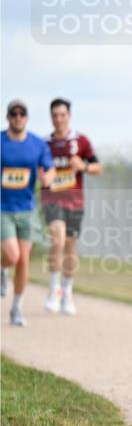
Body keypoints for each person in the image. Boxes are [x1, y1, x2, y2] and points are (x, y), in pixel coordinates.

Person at [41, 97, 101, 315]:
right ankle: (54, 290)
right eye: (55, 115)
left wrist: (83, 166)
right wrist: (43, 175)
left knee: (70, 247)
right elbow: (37, 169)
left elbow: (97, 167)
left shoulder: (81, 141)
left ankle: (67, 292)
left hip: (75, 201)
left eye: (62, 115)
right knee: (57, 239)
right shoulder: (44, 144)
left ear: (69, 116)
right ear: (51, 117)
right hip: (52, 200)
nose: (59, 119)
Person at [1, 100, 55, 326]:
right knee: (12, 255)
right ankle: (3, 268)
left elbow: (50, 170)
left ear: (27, 117)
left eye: (22, 113)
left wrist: (47, 179)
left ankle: (16, 308)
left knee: (23, 259)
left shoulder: (37, 144)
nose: (18, 117)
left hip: (27, 208)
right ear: (8, 117)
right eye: (13, 113)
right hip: (3, 208)